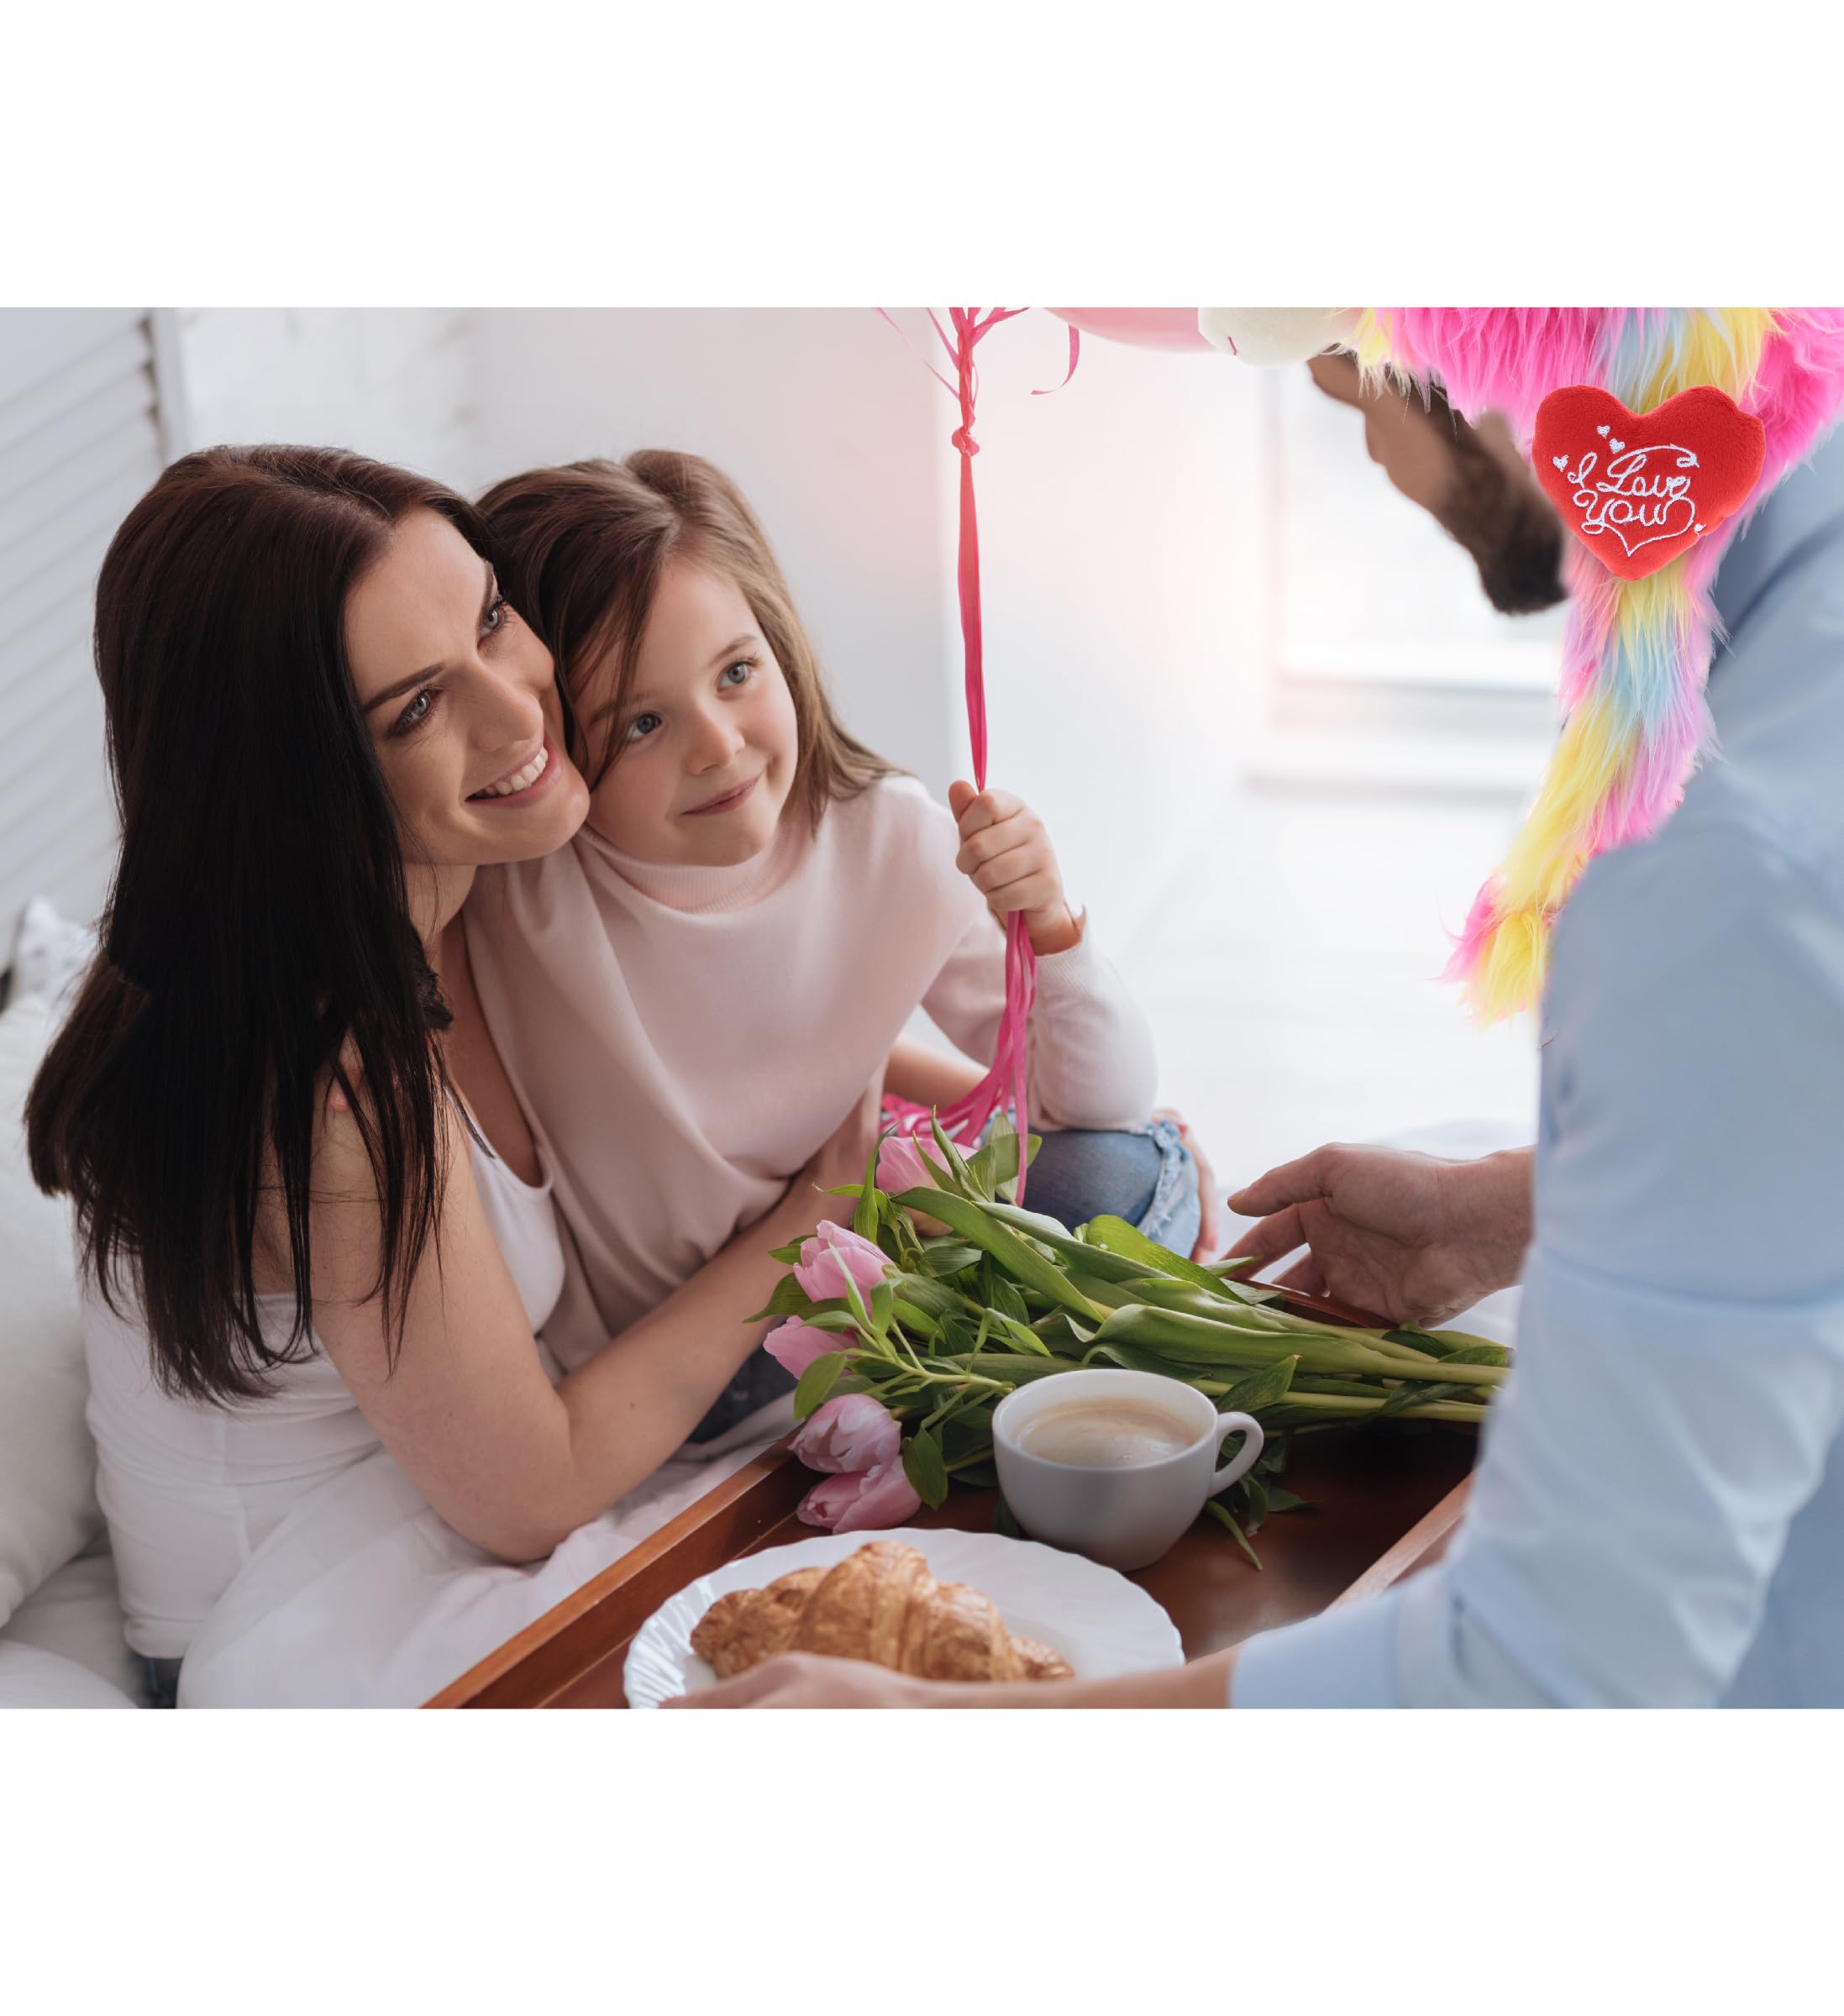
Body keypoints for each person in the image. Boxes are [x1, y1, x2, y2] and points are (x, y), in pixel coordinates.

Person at [677, 365, 1844, 1709]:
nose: (1362, 449)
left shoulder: (1721, 880)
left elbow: (1539, 1678)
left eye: (1347, 380)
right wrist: (1501, 1214)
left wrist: (947, 1723)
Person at [25, 446, 883, 1704]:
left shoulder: (475, 880)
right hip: (311, 1614)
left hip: (443, 1528)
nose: (518, 710)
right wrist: (813, 1219)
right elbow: (526, 1493)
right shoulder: (322, 1083)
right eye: (418, 708)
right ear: (299, 777)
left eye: (491, 617)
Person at [465, 450, 1200, 1443]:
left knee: (1129, 1168)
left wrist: (1052, 926)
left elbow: (1091, 1106)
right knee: (1121, 1215)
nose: (718, 745)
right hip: (690, 1366)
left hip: (861, 1283)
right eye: (641, 722)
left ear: (780, 644)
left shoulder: (888, 834)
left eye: (735, 673)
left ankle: (908, 1400)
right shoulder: (527, 888)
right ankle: (914, 1404)